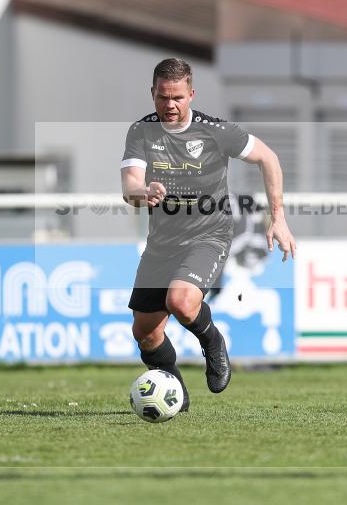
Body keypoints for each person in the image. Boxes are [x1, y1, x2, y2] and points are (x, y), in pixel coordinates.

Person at [121, 58, 296, 411]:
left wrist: (278, 218)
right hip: (162, 243)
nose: (169, 105)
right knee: (146, 334)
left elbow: (269, 158)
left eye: (178, 98)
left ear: (191, 95)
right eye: (162, 97)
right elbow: (129, 186)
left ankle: (212, 341)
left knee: (181, 302)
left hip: (209, 235)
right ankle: (174, 392)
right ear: (152, 94)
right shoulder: (141, 132)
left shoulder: (216, 131)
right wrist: (143, 193)